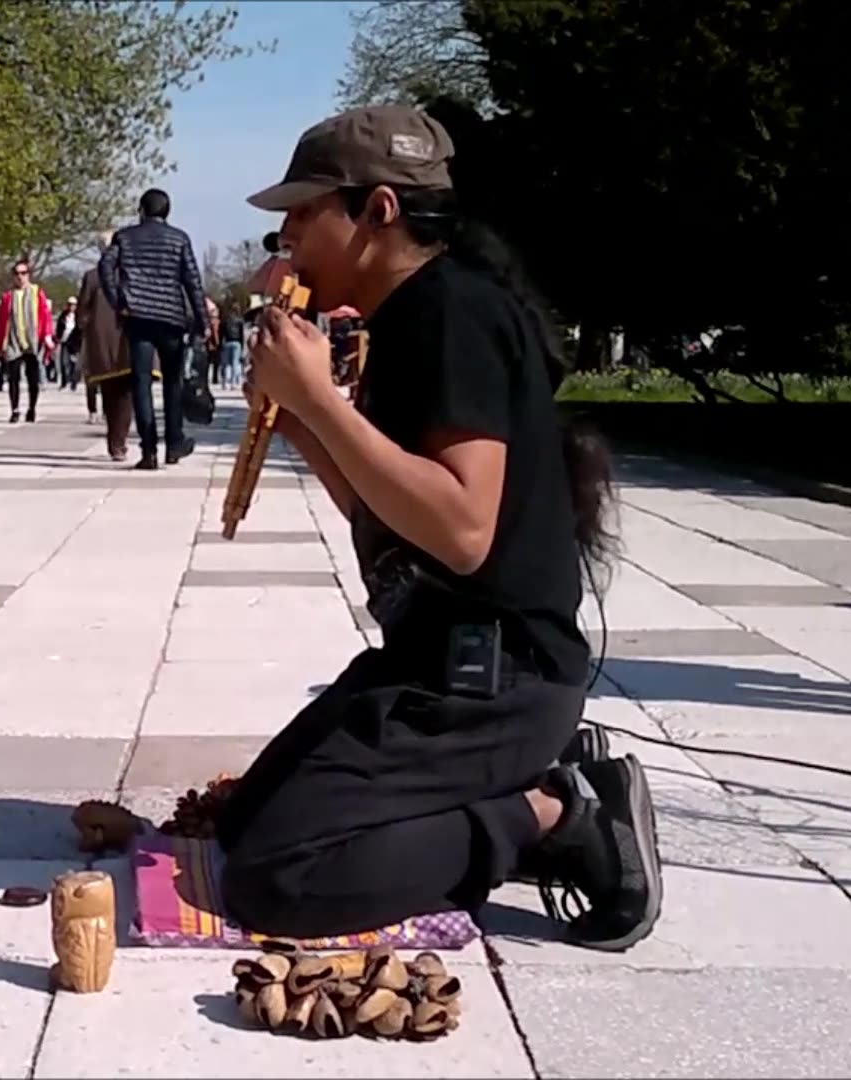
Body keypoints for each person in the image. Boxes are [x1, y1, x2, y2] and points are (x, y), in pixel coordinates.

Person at [214, 105, 662, 953]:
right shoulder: (411, 314)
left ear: (377, 211)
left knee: (278, 876)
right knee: (245, 823)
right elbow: (387, 516)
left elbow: (461, 532)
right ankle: (501, 797)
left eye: (305, 213)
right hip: (429, 655)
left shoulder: (452, 314)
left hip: (494, 679)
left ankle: (555, 816)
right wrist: (298, 419)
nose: (287, 237)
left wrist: (316, 399)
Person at [100, 188, 207, 469]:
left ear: (141, 210)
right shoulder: (179, 239)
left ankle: (148, 450)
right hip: (171, 317)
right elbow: (192, 282)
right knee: (173, 382)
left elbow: (105, 266)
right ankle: (175, 443)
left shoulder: (124, 237)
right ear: (167, 212)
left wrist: (117, 300)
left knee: (141, 383)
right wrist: (202, 321)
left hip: (137, 315)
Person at [76, 247, 141, 462]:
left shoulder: (92, 277)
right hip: (126, 341)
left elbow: (82, 313)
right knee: (125, 394)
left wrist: (87, 330)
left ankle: (115, 442)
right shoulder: (132, 274)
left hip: (101, 344)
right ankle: (118, 442)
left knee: (109, 393)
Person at [0, 259, 52, 423]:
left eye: (23, 273)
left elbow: (45, 315)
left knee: (32, 377)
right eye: (17, 273)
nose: (20, 277)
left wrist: (47, 335)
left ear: (28, 275)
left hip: (32, 341)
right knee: (13, 377)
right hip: (13, 341)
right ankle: (15, 409)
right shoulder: (8, 296)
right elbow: (2, 322)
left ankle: (32, 408)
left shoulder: (37, 292)